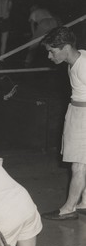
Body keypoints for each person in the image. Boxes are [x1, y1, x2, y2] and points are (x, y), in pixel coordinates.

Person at [42, 27, 86, 222]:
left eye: (52, 51)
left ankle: (69, 209)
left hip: (84, 116)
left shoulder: (83, 66)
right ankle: (84, 202)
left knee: (78, 165)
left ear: (66, 47)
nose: (49, 56)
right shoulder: (76, 59)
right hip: (77, 111)